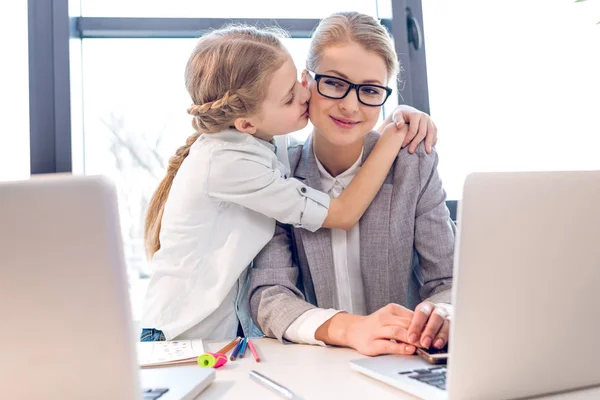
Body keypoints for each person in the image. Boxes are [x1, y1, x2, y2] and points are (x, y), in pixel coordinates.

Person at [139, 25, 436, 342]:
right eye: (290, 98)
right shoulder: (234, 163)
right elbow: (343, 213)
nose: (305, 95)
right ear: (246, 122)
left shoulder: (263, 142)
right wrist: (394, 135)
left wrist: (403, 110)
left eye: (299, 84)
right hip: (179, 334)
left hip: (222, 333)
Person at [249, 12, 455, 357]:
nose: (350, 105)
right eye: (334, 83)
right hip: (316, 363)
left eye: (370, 90)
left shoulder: (412, 167)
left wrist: (444, 311)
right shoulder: (276, 171)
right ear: (306, 82)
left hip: (402, 360)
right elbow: (270, 294)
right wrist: (349, 328)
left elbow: (449, 282)